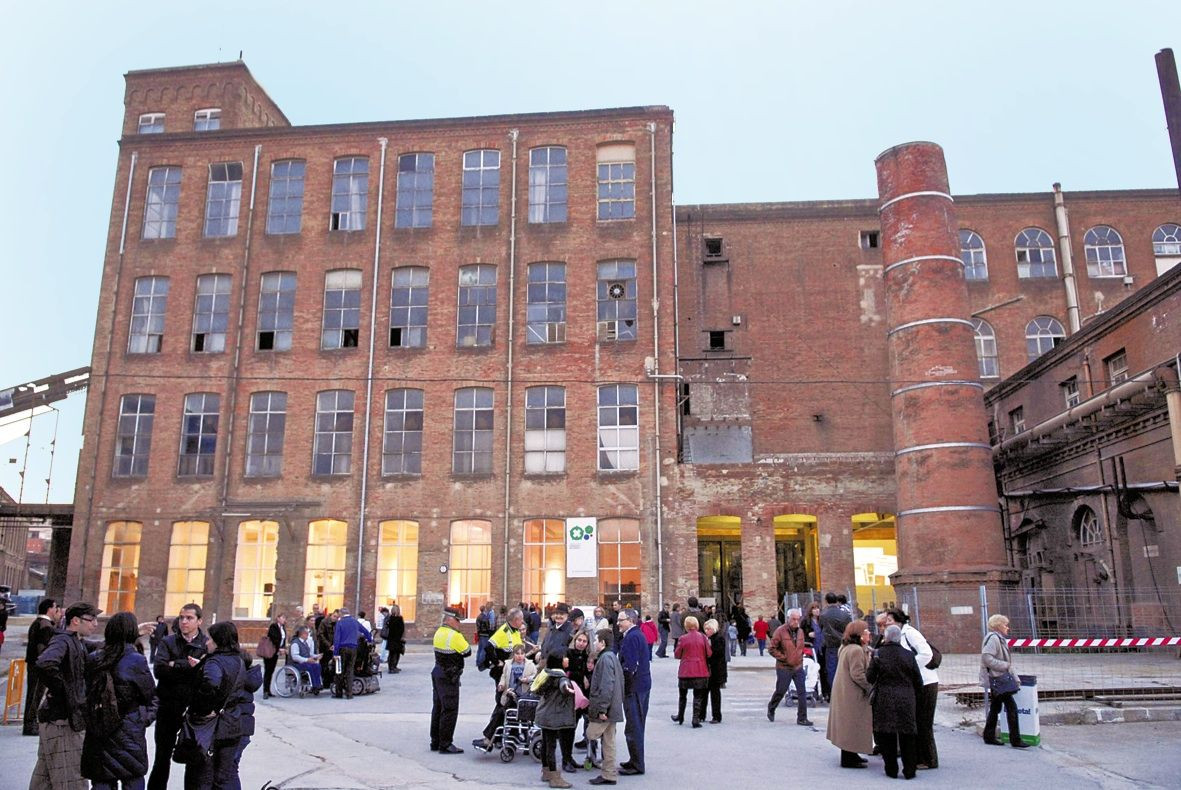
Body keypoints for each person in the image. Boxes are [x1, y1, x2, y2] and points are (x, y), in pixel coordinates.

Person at [81, 612, 157, 790]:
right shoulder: (135, 660)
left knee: (101, 780)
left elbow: (85, 693)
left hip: (99, 728)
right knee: (132, 779)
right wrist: (144, 718)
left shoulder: (95, 658)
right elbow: (150, 695)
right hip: (129, 729)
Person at [30, 601, 100, 790]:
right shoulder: (63, 640)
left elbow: (99, 645)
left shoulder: (75, 640)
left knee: (45, 779)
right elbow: (45, 664)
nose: (95, 624)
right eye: (91, 619)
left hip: (59, 717)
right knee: (71, 779)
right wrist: (65, 692)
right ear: (76, 621)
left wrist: (132, 632)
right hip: (62, 720)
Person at [147, 603, 206, 790]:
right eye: (181, 617)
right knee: (162, 759)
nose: (184, 621)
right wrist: (188, 666)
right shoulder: (168, 642)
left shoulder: (206, 643)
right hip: (168, 707)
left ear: (199, 621)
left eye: (189, 618)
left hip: (194, 709)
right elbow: (159, 670)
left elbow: (205, 674)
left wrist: (175, 665)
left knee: (194, 760)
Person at [184, 621, 249, 790]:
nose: (207, 643)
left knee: (202, 778)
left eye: (210, 639)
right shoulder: (238, 660)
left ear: (219, 641)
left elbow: (211, 684)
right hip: (232, 723)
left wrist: (204, 709)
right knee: (222, 778)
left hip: (212, 728)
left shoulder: (215, 662)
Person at [867, 624, 923, 780]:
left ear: (886, 637)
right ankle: (910, 770)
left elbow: (870, 677)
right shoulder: (909, 655)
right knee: (908, 735)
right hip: (906, 698)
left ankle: (891, 769)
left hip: (885, 698)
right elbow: (918, 680)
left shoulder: (878, 654)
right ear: (899, 638)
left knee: (887, 735)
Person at [886, 607, 940, 769]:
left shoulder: (911, 633)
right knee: (915, 720)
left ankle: (929, 759)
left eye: (889, 621)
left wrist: (909, 666)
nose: (887, 624)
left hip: (926, 682)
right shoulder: (900, 634)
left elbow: (926, 653)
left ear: (898, 621)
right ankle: (918, 757)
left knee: (923, 722)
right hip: (915, 682)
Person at [474, 607, 526, 751]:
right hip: (503, 674)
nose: (522, 622)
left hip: (514, 674)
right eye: (521, 619)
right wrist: (497, 662)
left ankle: (506, 734)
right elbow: (489, 647)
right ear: (516, 620)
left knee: (509, 705)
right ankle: (493, 736)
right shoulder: (504, 631)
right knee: (502, 703)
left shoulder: (515, 632)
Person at [826, 620, 873, 769]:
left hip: (845, 691)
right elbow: (858, 674)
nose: (869, 634)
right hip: (852, 694)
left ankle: (852, 754)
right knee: (852, 724)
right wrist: (870, 687)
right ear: (859, 635)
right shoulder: (856, 650)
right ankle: (849, 758)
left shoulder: (846, 647)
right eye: (866, 632)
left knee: (848, 725)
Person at [980, 614, 1031, 749]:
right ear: (998, 626)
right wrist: (1004, 665)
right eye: (1005, 625)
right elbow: (987, 658)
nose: (1007, 628)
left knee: (995, 708)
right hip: (999, 679)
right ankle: (1015, 739)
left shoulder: (996, 638)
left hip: (997, 679)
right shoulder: (994, 639)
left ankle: (989, 736)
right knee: (1011, 708)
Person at [430, 607, 471, 754]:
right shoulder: (454, 636)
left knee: (438, 707)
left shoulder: (438, 632)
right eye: (457, 620)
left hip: (438, 672)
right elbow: (467, 651)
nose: (459, 623)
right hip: (449, 675)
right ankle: (446, 743)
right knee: (450, 709)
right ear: (450, 619)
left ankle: (435, 741)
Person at [535, 651, 577, 789]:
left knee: (546, 744)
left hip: (543, 714)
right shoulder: (560, 677)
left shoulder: (546, 673)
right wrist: (569, 690)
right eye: (564, 657)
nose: (566, 659)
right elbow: (563, 686)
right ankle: (555, 777)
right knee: (551, 746)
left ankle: (546, 771)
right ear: (559, 662)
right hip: (552, 717)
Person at [586, 629, 623, 786]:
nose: (594, 643)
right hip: (612, 707)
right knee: (609, 741)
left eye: (596, 640)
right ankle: (609, 774)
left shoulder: (605, 659)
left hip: (606, 709)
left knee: (591, 733)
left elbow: (607, 685)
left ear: (602, 643)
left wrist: (602, 709)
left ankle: (608, 772)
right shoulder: (610, 657)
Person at [617, 608, 649, 775]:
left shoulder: (632, 637)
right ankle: (635, 759)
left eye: (621, 620)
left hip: (634, 688)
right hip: (640, 686)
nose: (618, 623)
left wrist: (625, 687)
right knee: (635, 725)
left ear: (630, 620)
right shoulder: (635, 635)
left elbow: (630, 666)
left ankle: (637, 764)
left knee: (634, 726)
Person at [766, 607, 812, 726]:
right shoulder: (780, 631)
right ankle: (772, 706)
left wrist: (801, 657)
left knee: (802, 692)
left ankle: (802, 718)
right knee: (781, 690)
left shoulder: (800, 632)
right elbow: (771, 648)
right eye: (793, 619)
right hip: (784, 667)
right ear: (788, 619)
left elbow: (801, 646)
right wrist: (783, 657)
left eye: (798, 619)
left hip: (797, 666)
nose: (796, 622)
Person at [24, 598, 61, 736]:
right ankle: (30, 724)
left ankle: (30, 722)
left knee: (34, 694)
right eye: (55, 607)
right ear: (49, 609)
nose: (57, 610)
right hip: (38, 666)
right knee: (35, 695)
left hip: (34, 664)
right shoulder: (45, 625)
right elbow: (43, 649)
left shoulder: (39, 623)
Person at [671, 615, 711, 728]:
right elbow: (709, 653)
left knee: (682, 695)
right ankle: (695, 719)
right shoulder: (703, 637)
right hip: (700, 670)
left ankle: (680, 716)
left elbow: (677, 654)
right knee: (698, 696)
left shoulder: (683, 638)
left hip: (685, 670)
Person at [332, 607, 371, 699]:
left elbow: (337, 639)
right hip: (353, 648)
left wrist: (335, 653)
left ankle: (339, 693)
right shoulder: (354, 621)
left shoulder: (340, 623)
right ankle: (349, 694)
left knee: (339, 670)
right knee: (350, 670)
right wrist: (369, 639)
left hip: (342, 648)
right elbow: (365, 631)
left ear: (341, 614)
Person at [818, 592, 852, 697]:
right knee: (844, 668)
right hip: (843, 644)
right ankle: (844, 691)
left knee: (831, 669)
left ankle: (834, 692)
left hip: (830, 645)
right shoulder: (845, 614)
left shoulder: (823, 615)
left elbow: (821, 628)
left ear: (826, 601)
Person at [704, 619, 727, 723]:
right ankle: (701, 715)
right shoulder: (708, 638)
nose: (706, 631)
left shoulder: (718, 639)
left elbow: (717, 654)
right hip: (709, 670)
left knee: (715, 694)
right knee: (704, 693)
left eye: (708, 629)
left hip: (716, 670)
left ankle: (716, 716)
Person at [289, 625, 324, 691]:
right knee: (309, 667)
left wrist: (316, 656)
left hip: (305, 662)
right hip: (296, 664)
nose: (308, 635)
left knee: (317, 666)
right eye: (307, 634)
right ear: (303, 634)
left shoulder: (305, 643)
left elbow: (308, 654)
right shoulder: (295, 643)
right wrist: (307, 660)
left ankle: (318, 684)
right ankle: (314, 685)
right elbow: (295, 657)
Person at [262, 612, 287, 699]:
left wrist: (282, 647)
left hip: (276, 652)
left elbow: (283, 639)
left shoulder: (283, 627)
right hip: (270, 651)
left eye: (285, 618)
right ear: (278, 618)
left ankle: (268, 690)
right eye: (283, 618)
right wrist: (279, 648)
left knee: (271, 670)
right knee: (268, 671)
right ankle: (265, 690)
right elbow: (273, 638)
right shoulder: (274, 626)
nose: (284, 620)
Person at [385, 604, 406, 673]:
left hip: (390, 639)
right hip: (397, 639)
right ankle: (393, 667)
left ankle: (390, 667)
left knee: (391, 654)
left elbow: (387, 627)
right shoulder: (399, 618)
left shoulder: (390, 618)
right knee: (396, 654)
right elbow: (402, 629)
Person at [475, 604, 494, 670]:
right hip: (485, 635)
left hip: (480, 634)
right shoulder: (485, 618)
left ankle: (477, 661)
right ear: (484, 609)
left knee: (480, 649)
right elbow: (487, 627)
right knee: (484, 649)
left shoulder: (478, 617)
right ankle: (481, 663)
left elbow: (478, 626)